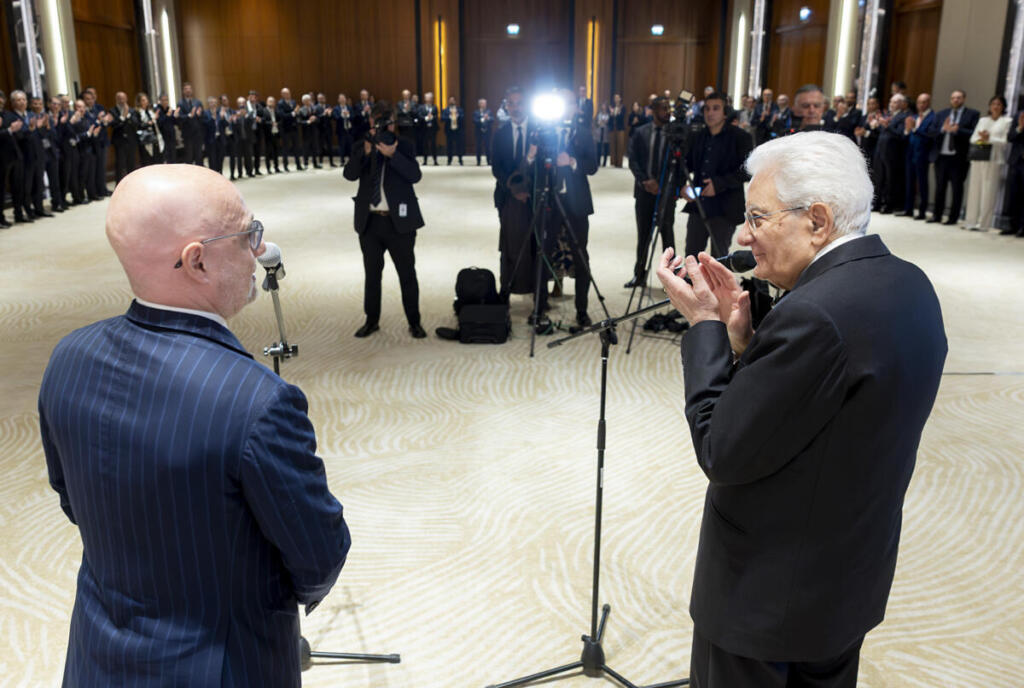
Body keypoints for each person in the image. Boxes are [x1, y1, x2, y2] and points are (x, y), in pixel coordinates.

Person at [39, 163, 351, 686]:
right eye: (248, 234)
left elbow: (73, 500)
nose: (260, 250)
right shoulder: (258, 401)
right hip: (223, 667)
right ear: (197, 262)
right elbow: (319, 556)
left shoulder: (68, 358)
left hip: (96, 659)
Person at [655, 130, 947, 688]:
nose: (744, 235)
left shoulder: (813, 314)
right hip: (843, 583)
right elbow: (822, 414)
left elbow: (723, 449)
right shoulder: (909, 284)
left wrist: (707, 331)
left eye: (758, 218)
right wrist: (749, 346)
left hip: (767, 599)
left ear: (816, 220)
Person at [343, 101, 426, 338]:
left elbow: (415, 175)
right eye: (375, 120)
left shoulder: (404, 145)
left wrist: (393, 155)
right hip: (370, 223)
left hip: (399, 224)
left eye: (384, 121)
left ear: (393, 124)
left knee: (407, 274)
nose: (378, 125)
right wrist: (366, 154)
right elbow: (349, 175)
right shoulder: (362, 145)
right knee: (372, 274)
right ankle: (371, 320)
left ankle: (414, 321)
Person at [525, 90, 599, 327]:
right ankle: (539, 306)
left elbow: (593, 166)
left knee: (580, 255)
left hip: (576, 202)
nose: (564, 107)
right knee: (542, 252)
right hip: (548, 200)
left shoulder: (584, 132)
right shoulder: (541, 133)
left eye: (568, 103)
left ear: (575, 107)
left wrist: (573, 162)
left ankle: (582, 310)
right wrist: (532, 153)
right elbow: (528, 167)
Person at [682, 91, 754, 258]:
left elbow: (747, 171)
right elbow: (685, 165)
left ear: (725, 113)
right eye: (707, 109)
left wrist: (719, 184)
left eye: (716, 108)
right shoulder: (697, 136)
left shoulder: (740, 137)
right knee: (692, 256)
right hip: (698, 204)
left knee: (718, 259)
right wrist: (682, 187)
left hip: (725, 207)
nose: (710, 113)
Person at [491, 86, 537, 299]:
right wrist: (515, 189)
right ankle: (506, 289)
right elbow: (497, 168)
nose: (515, 108)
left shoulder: (539, 131)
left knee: (536, 245)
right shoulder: (500, 134)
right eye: (511, 103)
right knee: (508, 245)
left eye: (519, 103)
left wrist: (526, 190)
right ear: (506, 106)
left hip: (535, 197)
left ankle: (539, 293)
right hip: (507, 197)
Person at [627, 96, 675, 287]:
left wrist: (663, 186)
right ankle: (639, 276)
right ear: (653, 111)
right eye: (662, 109)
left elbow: (678, 164)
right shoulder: (640, 132)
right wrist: (646, 181)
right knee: (644, 236)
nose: (667, 112)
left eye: (668, 108)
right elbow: (633, 160)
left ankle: (671, 280)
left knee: (667, 236)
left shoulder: (673, 134)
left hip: (666, 193)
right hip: (643, 191)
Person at [928, 89, 979, 224]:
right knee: (940, 187)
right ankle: (936, 215)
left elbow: (974, 133)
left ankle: (953, 217)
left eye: (958, 98)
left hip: (959, 157)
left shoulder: (972, 114)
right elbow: (931, 132)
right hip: (941, 156)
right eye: (953, 98)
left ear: (964, 99)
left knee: (957, 188)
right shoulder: (941, 114)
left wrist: (957, 130)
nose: (955, 100)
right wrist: (943, 130)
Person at [963, 95, 1011, 231]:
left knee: (988, 192)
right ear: (989, 106)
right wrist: (982, 138)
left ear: (1003, 107)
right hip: (978, 157)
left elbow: (1005, 142)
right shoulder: (983, 120)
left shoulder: (1006, 121)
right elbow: (973, 138)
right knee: (974, 190)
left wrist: (990, 138)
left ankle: (984, 224)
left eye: (999, 104)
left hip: (994, 159)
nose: (995, 106)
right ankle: (970, 221)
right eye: (993, 104)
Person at [899, 93, 935, 219]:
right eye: (919, 102)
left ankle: (922, 211)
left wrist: (915, 129)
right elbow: (906, 136)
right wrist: (907, 130)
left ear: (929, 102)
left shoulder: (933, 117)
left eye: (924, 102)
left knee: (922, 183)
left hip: (923, 154)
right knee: (909, 182)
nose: (921, 105)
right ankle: (908, 209)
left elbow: (930, 136)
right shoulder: (913, 117)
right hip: (910, 153)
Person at [874, 93, 910, 214]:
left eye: (894, 102)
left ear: (901, 104)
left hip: (892, 152)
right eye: (891, 101)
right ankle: (877, 203)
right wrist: (878, 124)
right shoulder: (888, 115)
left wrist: (886, 125)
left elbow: (900, 134)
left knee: (890, 180)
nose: (891, 104)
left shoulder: (904, 116)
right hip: (880, 149)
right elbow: (882, 131)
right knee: (879, 178)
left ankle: (889, 204)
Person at [109, 91, 138, 184]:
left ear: (126, 99)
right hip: (119, 141)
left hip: (131, 141)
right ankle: (119, 185)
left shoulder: (132, 110)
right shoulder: (112, 111)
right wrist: (122, 117)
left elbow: (136, 123)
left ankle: (132, 183)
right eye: (119, 98)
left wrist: (128, 115)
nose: (122, 100)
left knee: (131, 163)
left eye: (123, 98)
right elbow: (114, 125)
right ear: (116, 99)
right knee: (120, 164)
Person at [1004, 110, 1024, 237]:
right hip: (1016, 160)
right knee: (1014, 193)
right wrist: (1020, 128)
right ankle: (1013, 225)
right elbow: (1010, 137)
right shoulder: (1018, 115)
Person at [178, 82, 205, 165]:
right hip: (187, 134)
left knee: (199, 156)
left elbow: (203, 117)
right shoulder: (180, 103)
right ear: (183, 91)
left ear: (192, 90)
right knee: (189, 156)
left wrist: (199, 115)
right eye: (186, 89)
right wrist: (189, 115)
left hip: (197, 133)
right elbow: (180, 117)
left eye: (189, 89)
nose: (188, 90)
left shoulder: (198, 102)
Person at [135, 92, 163, 168]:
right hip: (145, 140)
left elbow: (155, 124)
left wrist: (155, 119)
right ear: (139, 102)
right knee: (147, 161)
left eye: (146, 100)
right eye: (143, 100)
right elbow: (138, 126)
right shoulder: (137, 112)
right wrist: (150, 122)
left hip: (154, 138)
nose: (145, 102)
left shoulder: (150, 111)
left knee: (157, 159)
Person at [277, 87, 302, 171]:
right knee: (286, 148)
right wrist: (294, 112)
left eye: (289, 93)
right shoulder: (280, 103)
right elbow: (283, 116)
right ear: (282, 95)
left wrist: (297, 112)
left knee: (296, 147)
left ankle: (298, 165)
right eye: (286, 93)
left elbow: (295, 114)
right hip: (285, 129)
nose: (289, 95)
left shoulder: (293, 102)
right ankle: (285, 166)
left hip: (294, 128)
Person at [155, 93, 177, 163]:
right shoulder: (157, 110)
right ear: (160, 101)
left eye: (166, 100)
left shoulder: (170, 109)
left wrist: (175, 116)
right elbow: (159, 123)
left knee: (173, 155)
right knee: (165, 156)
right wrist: (167, 116)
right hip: (162, 137)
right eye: (163, 100)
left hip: (171, 136)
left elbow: (174, 123)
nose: (165, 102)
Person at [262, 95, 282, 173]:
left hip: (276, 133)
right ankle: (268, 168)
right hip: (268, 134)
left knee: (276, 151)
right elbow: (263, 122)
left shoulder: (276, 110)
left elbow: (281, 120)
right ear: (267, 102)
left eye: (273, 101)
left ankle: (276, 167)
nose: (271, 103)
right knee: (268, 152)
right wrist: (271, 123)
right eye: (270, 101)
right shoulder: (264, 111)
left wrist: (277, 124)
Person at [442, 96, 464, 165]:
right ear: (448, 101)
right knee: (449, 146)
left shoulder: (459, 110)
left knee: (459, 145)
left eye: (453, 100)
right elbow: (443, 118)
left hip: (458, 130)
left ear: (455, 101)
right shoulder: (446, 110)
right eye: (450, 100)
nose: (451, 102)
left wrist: (457, 116)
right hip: (449, 130)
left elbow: (463, 117)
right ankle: (449, 160)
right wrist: (449, 117)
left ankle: (460, 159)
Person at [419, 92, 440, 165]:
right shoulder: (421, 107)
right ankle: (425, 161)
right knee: (425, 145)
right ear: (425, 99)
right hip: (424, 129)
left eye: (430, 98)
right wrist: (426, 118)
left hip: (433, 128)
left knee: (433, 144)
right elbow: (419, 116)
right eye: (427, 97)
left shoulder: (434, 107)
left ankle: (435, 160)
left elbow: (437, 116)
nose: (429, 99)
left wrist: (432, 117)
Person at [333, 93, 354, 164]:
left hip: (349, 130)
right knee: (341, 146)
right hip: (341, 130)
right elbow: (335, 118)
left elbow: (353, 117)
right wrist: (342, 115)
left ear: (345, 100)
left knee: (350, 146)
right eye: (341, 98)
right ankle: (342, 160)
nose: (342, 100)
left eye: (343, 98)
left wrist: (348, 115)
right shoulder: (336, 108)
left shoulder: (349, 107)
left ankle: (351, 161)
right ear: (338, 100)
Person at [473, 98, 493, 165]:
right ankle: (478, 161)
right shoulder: (476, 112)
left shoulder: (489, 111)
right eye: (482, 103)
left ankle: (489, 161)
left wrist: (488, 118)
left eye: (485, 103)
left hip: (487, 132)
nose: (484, 104)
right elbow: (474, 121)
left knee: (488, 147)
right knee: (478, 147)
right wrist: (482, 119)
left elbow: (493, 119)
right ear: (479, 104)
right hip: (479, 132)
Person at [608, 94, 626, 167]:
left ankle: (619, 163)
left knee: (620, 145)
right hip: (613, 128)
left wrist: (618, 112)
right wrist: (611, 114)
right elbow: (609, 120)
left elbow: (622, 117)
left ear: (620, 99)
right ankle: (613, 162)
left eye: (617, 97)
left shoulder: (623, 107)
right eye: (615, 98)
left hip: (620, 128)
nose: (616, 99)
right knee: (613, 145)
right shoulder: (612, 107)